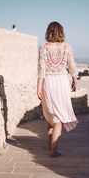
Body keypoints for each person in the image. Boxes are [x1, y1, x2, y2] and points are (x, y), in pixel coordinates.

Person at [37, 22, 78, 157]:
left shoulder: (43, 47)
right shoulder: (67, 47)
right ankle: (53, 151)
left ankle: (50, 146)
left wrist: (38, 87)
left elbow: (41, 70)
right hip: (61, 82)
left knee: (49, 116)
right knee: (58, 118)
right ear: (61, 32)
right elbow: (72, 66)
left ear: (48, 32)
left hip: (47, 82)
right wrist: (75, 80)